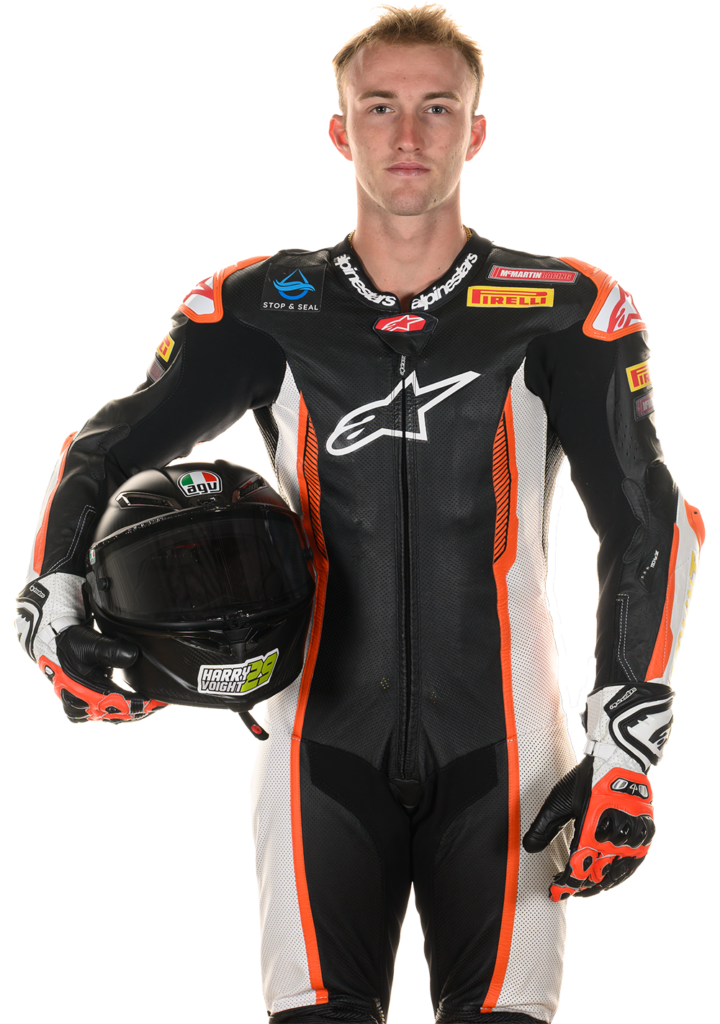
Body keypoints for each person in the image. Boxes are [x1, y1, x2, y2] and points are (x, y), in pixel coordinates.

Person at [14, 4, 705, 1023]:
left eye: (438, 107)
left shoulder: (568, 306)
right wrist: (56, 608)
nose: (409, 134)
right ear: (341, 130)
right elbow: (103, 448)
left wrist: (626, 745)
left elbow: (652, 522)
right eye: (381, 107)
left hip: (511, 752)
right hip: (314, 747)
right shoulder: (259, 302)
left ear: (476, 131)